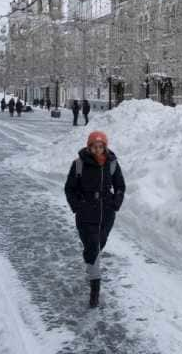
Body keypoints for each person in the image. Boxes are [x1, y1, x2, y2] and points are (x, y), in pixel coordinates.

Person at [64, 131, 125, 308]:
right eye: (94, 146)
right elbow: (69, 189)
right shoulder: (79, 164)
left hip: (106, 213)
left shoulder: (112, 163)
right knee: (92, 247)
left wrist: (115, 203)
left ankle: (91, 265)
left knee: (97, 246)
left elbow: (120, 185)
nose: (98, 150)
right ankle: (95, 291)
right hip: (86, 214)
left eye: (101, 146)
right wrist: (77, 206)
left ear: (105, 147)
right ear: (89, 146)